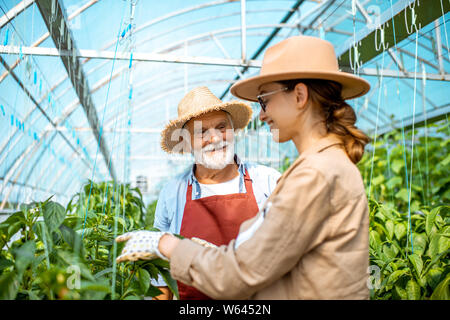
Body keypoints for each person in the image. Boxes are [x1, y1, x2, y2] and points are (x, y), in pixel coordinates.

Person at [115, 35, 372, 299]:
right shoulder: (321, 166)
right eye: (202, 132)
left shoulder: (313, 175)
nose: (261, 114)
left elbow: (241, 273)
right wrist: (213, 254)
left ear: (299, 95)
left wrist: (166, 244)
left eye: (264, 100)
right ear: (188, 142)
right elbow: (270, 258)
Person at [149, 86, 281, 300]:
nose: (215, 138)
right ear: (187, 142)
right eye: (201, 132)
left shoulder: (267, 182)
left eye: (221, 127)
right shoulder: (174, 193)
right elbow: (160, 274)